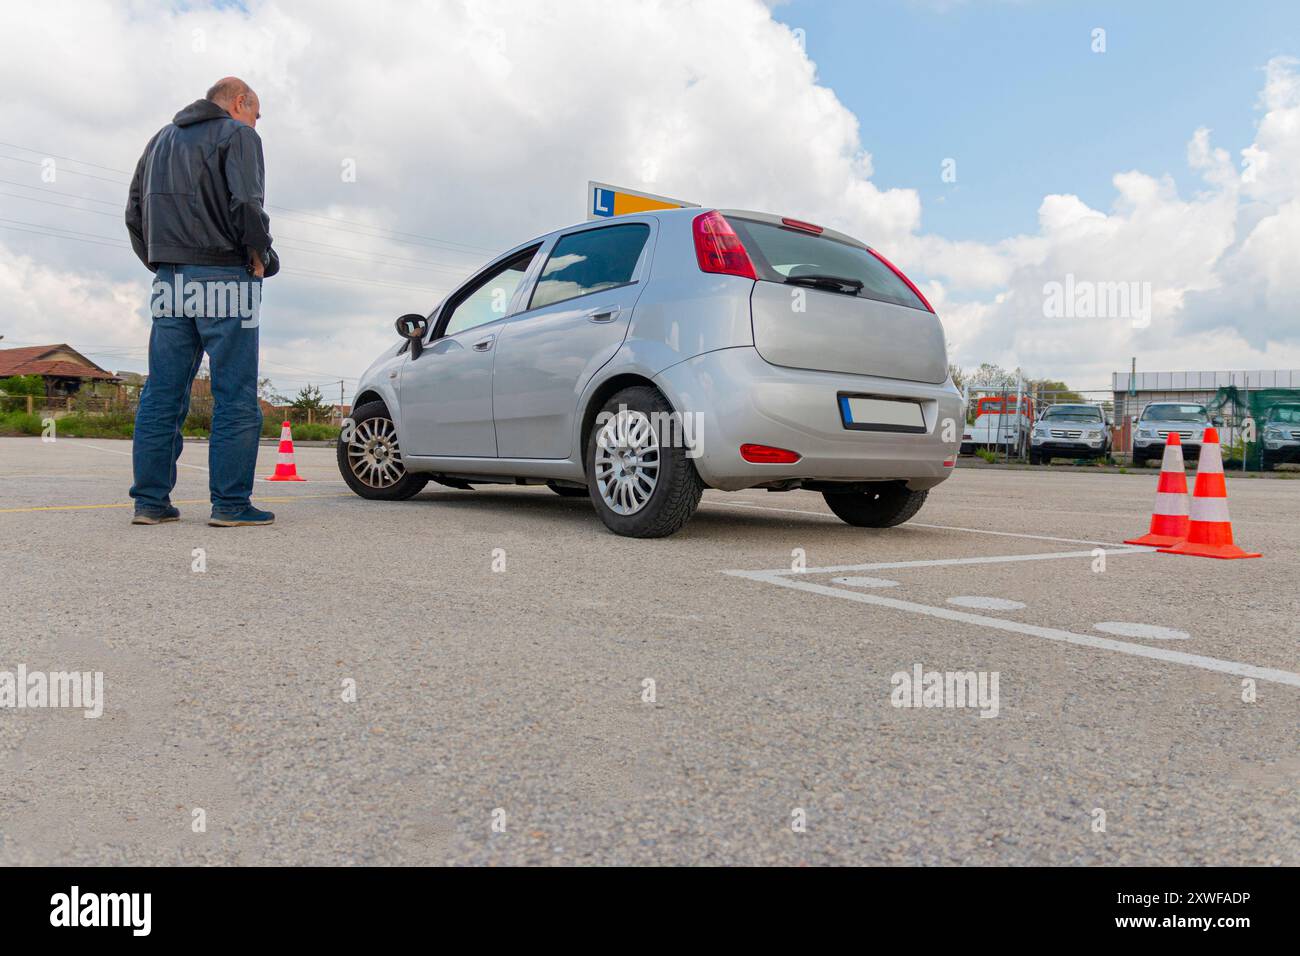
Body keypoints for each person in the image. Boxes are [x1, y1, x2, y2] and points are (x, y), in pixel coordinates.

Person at [125, 76, 280, 527]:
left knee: (162, 393)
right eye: (257, 112)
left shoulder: (159, 141)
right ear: (239, 102)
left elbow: (134, 211)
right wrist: (261, 254)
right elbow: (247, 203)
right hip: (227, 277)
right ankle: (230, 505)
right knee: (234, 395)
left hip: (171, 279)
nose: (257, 122)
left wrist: (161, 263)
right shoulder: (240, 135)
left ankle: (150, 503)